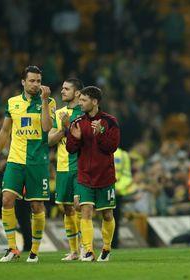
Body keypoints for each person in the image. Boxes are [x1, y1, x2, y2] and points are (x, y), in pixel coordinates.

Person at [0, 66, 56, 262]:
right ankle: (12, 248)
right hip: (15, 159)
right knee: (7, 199)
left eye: (38, 81)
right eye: (32, 81)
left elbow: (47, 127)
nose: (36, 84)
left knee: (36, 206)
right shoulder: (12, 102)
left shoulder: (49, 102)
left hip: (38, 161)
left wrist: (44, 102)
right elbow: (4, 131)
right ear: (23, 82)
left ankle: (34, 251)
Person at [66, 86, 120, 262]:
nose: (80, 103)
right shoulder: (78, 122)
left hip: (105, 176)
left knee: (107, 215)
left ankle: (106, 247)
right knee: (86, 211)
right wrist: (74, 137)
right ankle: (88, 250)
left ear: (94, 101)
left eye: (83, 100)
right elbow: (71, 149)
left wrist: (100, 133)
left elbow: (111, 148)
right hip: (85, 176)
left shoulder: (110, 122)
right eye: (79, 100)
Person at [48, 78, 84, 260]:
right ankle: (74, 251)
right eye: (62, 88)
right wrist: (63, 129)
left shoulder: (84, 113)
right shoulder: (59, 112)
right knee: (67, 208)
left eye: (66, 89)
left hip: (80, 166)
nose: (62, 91)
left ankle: (86, 247)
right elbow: (50, 140)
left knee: (80, 206)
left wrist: (69, 126)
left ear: (77, 93)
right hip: (62, 167)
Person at [112, 147, 133, 249]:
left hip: (116, 193)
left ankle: (113, 245)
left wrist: (117, 188)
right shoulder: (97, 150)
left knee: (114, 218)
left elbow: (127, 175)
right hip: (99, 189)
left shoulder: (123, 155)